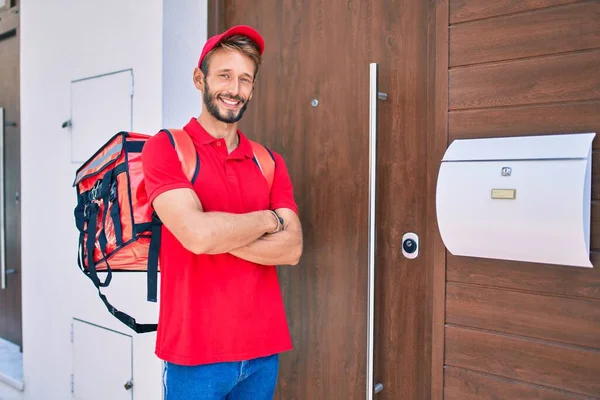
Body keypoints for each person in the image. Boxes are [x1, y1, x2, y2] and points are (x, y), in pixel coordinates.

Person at [141, 25, 303, 400]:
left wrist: (214, 232)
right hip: (195, 355)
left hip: (263, 350)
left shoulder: (268, 161)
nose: (235, 89)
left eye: (245, 79)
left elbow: (291, 249)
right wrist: (268, 220)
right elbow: (198, 237)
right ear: (200, 79)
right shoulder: (166, 148)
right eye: (225, 75)